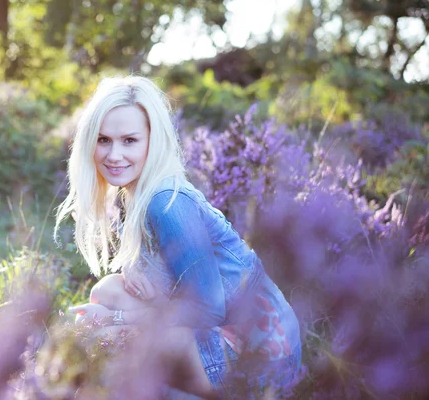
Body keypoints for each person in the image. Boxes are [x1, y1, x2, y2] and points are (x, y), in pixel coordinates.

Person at [55, 76, 301, 399]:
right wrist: (140, 269)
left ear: (151, 141)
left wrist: (118, 319)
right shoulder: (134, 194)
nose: (114, 155)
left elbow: (210, 309)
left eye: (129, 140)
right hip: (227, 332)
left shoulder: (165, 201)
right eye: (103, 140)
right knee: (108, 290)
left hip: (261, 357)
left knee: (115, 349)